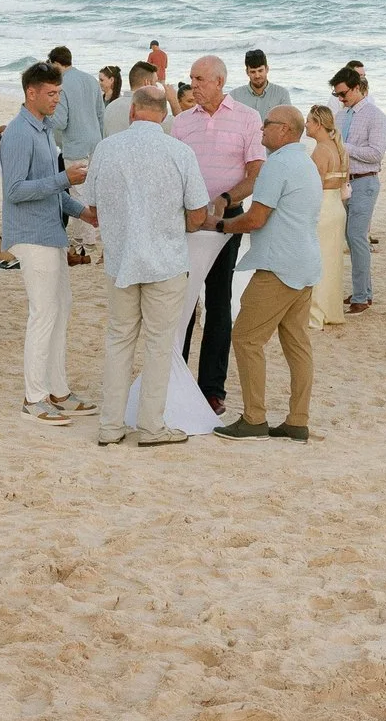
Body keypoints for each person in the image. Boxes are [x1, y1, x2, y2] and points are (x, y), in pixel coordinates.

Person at [79, 86, 211, 448]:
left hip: (121, 260)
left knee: (119, 340)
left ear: (133, 112)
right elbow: (198, 212)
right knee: (158, 345)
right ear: (165, 115)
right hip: (166, 261)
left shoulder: (107, 149)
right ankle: (151, 426)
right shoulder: (180, 152)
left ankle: (110, 425)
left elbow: (90, 207)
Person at [215, 106, 323, 440]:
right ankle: (297, 419)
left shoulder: (278, 164)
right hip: (304, 262)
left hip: (279, 265)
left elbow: (255, 219)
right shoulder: (305, 162)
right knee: (297, 344)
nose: (261, 129)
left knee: (246, 338)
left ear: (287, 130)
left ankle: (254, 418)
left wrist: (220, 225)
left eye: (268, 124)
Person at [170, 55, 267, 411]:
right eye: (191, 79)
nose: (193, 85)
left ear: (219, 82)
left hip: (228, 219)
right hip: (187, 220)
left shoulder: (247, 118)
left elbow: (256, 171)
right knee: (181, 298)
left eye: (199, 79)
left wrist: (225, 199)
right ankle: (173, 377)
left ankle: (212, 390)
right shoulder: (181, 122)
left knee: (219, 300)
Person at [5, 62, 93, 423]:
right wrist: (63, 179)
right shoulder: (18, 133)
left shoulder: (44, 129)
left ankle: (58, 390)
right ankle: (33, 398)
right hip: (30, 234)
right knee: (43, 314)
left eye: (59, 93)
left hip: (51, 231)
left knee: (61, 310)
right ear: (32, 93)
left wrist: (84, 211)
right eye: (52, 93)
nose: (58, 99)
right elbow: (13, 191)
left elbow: (51, 190)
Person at [329, 67, 386, 314]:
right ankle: (364, 291)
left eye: (343, 94)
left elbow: (376, 153)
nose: (340, 99)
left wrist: (345, 147)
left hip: (365, 181)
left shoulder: (376, 116)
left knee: (356, 237)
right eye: (337, 95)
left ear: (356, 88)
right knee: (351, 239)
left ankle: (362, 297)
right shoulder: (341, 116)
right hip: (344, 182)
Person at [303, 105, 349, 329]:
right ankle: (331, 310)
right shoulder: (338, 148)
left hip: (323, 208)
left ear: (318, 124)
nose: (305, 125)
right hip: (336, 208)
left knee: (318, 260)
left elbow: (314, 185)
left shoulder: (321, 150)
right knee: (332, 260)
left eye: (309, 121)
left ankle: (316, 313)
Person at [46, 47, 104, 167]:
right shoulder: (91, 80)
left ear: (56, 63)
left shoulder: (61, 85)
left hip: (76, 148)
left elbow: (60, 123)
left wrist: (47, 114)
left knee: (77, 185)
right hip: (96, 144)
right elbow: (101, 114)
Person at [104, 61, 164, 137]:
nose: (156, 86)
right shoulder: (149, 110)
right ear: (147, 83)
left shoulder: (110, 107)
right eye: (155, 82)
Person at [230, 49, 290, 117]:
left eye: (260, 71)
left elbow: (288, 123)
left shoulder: (282, 94)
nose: (257, 76)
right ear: (247, 72)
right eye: (253, 72)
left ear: (267, 69)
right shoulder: (234, 96)